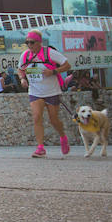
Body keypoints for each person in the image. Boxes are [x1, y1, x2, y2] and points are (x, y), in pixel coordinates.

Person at [17, 30, 71, 158]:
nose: (29, 45)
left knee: (54, 119)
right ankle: (40, 148)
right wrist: (22, 79)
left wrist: (53, 72)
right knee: (36, 117)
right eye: (27, 42)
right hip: (35, 92)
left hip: (51, 91)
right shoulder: (25, 55)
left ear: (39, 42)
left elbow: (67, 65)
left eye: (32, 42)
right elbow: (20, 69)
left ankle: (63, 137)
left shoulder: (49, 53)